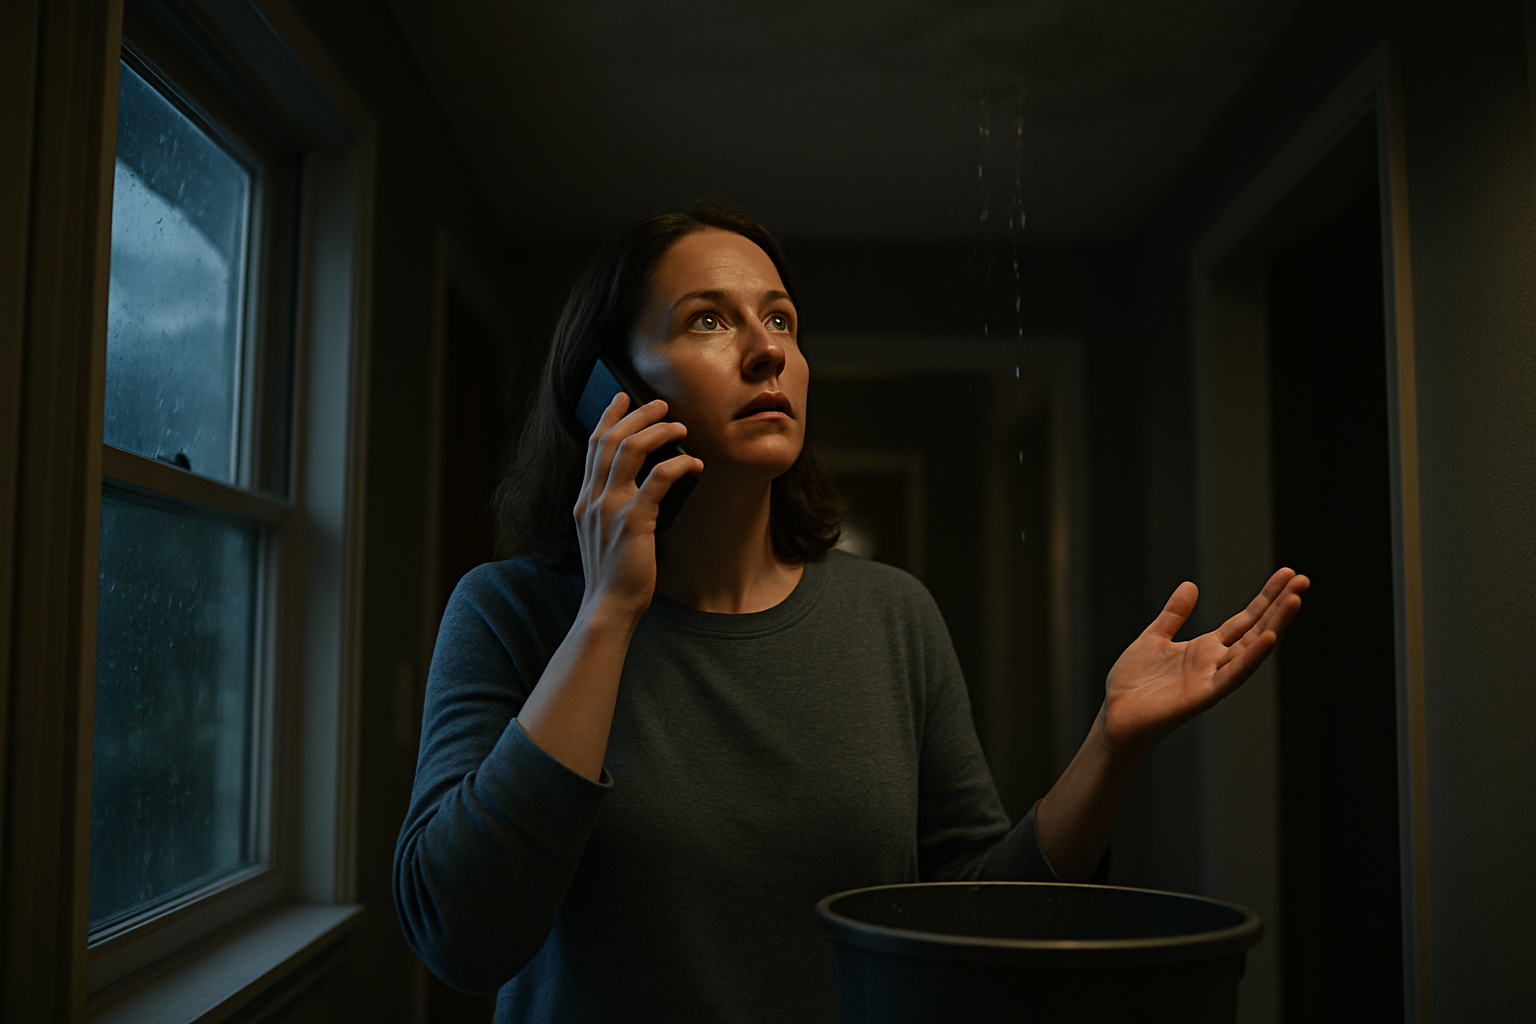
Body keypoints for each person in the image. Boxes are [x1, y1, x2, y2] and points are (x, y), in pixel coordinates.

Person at [392, 199, 1308, 1023]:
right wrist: (606, 613)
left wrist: (1112, 747)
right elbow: (461, 939)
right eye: (708, 319)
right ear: (607, 389)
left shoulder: (893, 615)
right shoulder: (508, 611)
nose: (768, 350)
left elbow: (979, 916)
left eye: (781, 319)